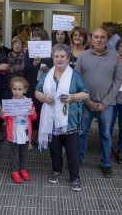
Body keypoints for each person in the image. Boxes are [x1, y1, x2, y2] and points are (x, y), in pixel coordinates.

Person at [35, 44, 89, 191]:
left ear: (68, 58)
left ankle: (75, 178)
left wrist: (72, 97)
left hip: (70, 121)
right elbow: (37, 91)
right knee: (55, 150)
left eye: (62, 56)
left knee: (72, 151)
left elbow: (86, 94)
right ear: (53, 58)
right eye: (56, 56)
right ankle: (56, 171)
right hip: (51, 121)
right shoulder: (47, 75)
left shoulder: (75, 75)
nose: (59, 59)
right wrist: (44, 97)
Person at [75, 28, 122, 178]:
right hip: (85, 102)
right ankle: (79, 159)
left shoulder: (115, 57)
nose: (99, 40)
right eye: (96, 37)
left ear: (107, 40)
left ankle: (106, 163)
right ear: (91, 39)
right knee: (82, 132)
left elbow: (117, 81)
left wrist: (105, 103)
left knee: (106, 134)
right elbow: (76, 79)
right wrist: (87, 100)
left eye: (102, 37)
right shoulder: (83, 56)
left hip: (107, 104)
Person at [0, 77, 37, 183]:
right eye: (14, 89)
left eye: (19, 89)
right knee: (15, 153)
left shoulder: (29, 103)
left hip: (25, 133)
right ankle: (14, 171)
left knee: (24, 152)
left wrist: (32, 112)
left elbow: (34, 117)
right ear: (11, 89)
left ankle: (23, 169)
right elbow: (5, 118)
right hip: (14, 133)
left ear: (24, 90)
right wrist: (3, 114)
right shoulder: (9, 103)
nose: (17, 91)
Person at [23, 28, 53, 141]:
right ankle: (30, 136)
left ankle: (40, 136)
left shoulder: (50, 51)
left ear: (43, 38)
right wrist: (35, 62)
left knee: (43, 111)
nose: (34, 38)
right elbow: (25, 68)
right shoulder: (29, 51)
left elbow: (54, 66)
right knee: (32, 110)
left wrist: (48, 68)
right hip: (32, 84)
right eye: (33, 36)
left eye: (36, 36)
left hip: (46, 85)